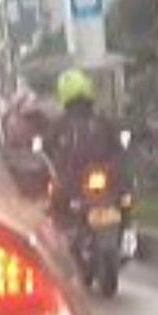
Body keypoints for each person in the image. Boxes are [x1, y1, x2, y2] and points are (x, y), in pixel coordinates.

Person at [47, 69, 127, 222]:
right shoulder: (102, 121)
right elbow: (118, 147)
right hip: (104, 184)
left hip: (75, 187)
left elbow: (46, 147)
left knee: (56, 206)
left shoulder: (60, 124)